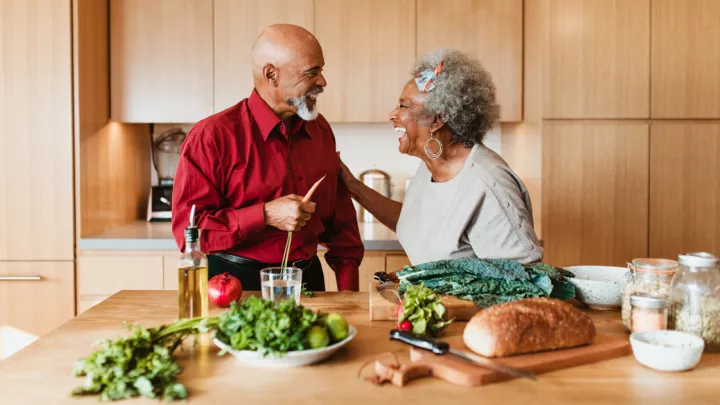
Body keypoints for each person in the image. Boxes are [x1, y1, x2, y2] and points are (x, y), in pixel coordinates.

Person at [172, 24, 364, 291]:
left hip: (308, 282)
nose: (322, 81)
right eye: (312, 72)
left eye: (321, 70)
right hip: (234, 286)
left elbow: (340, 225)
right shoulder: (211, 137)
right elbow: (188, 233)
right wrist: (265, 215)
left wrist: (348, 292)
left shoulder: (321, 130)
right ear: (271, 75)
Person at [338, 48, 543, 266]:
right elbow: (413, 222)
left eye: (403, 106)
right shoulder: (430, 167)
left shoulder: (487, 183)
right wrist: (351, 185)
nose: (393, 114)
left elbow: (524, 277)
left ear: (437, 120)